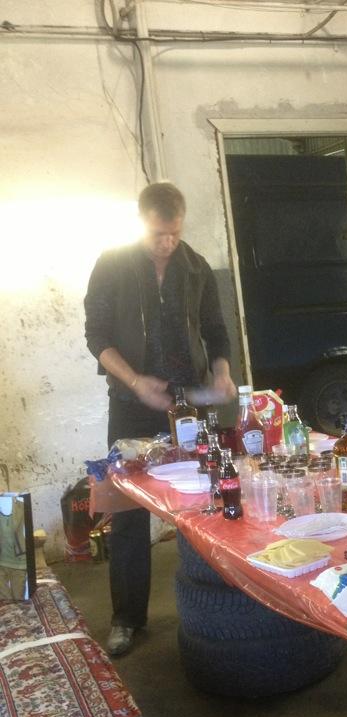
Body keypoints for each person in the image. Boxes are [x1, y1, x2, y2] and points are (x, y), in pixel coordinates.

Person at [85, 182, 236, 656]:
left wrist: (222, 374)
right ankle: (127, 619)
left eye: (175, 233)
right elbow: (96, 336)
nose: (167, 243)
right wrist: (135, 382)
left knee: (204, 501)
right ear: (141, 222)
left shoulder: (196, 267)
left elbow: (216, 330)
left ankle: (214, 604)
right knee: (128, 512)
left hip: (189, 403)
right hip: (131, 402)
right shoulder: (112, 264)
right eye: (157, 234)